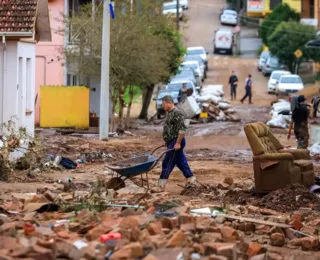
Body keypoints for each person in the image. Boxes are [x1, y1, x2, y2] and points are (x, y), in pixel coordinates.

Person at [158, 95, 196, 189]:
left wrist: (177, 143)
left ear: (168, 103)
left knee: (167, 162)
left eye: (164, 104)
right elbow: (169, 128)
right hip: (172, 141)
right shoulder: (169, 113)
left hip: (176, 141)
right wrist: (167, 141)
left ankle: (161, 184)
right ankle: (191, 178)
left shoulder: (177, 113)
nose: (163, 107)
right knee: (180, 162)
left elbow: (182, 129)